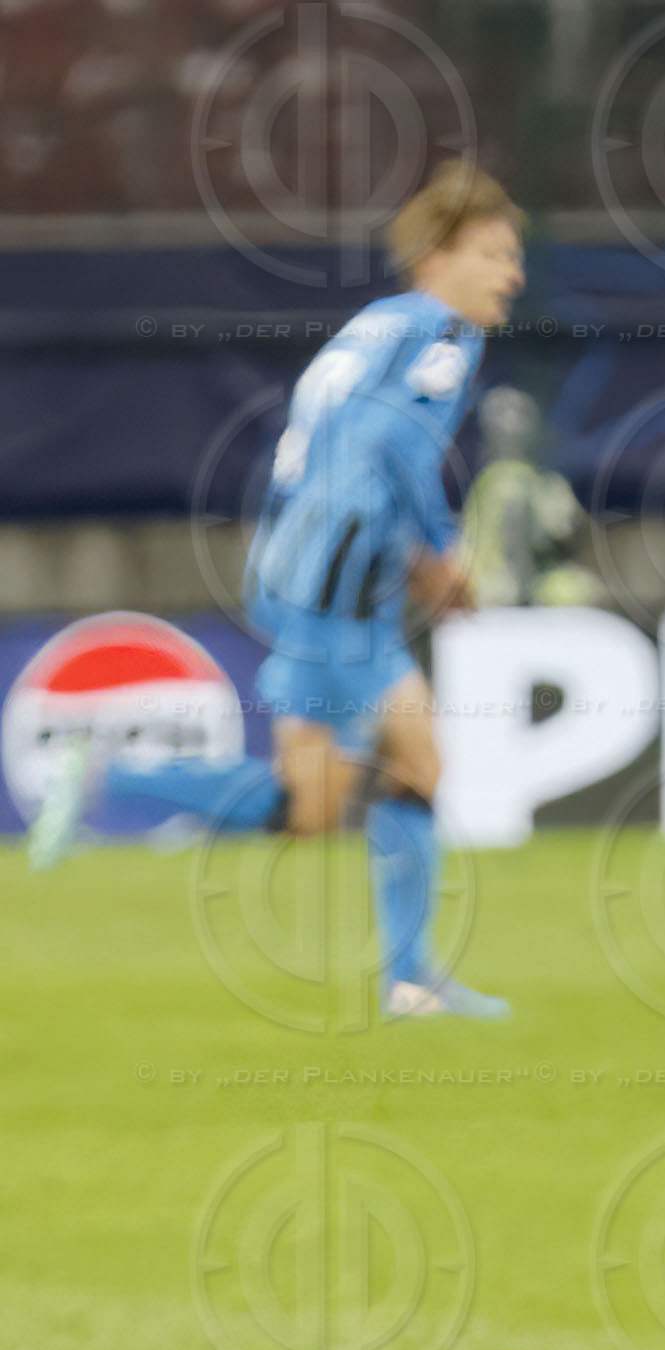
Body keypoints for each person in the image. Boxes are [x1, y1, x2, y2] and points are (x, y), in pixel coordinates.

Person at [29, 160, 524, 1021]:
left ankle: (111, 773)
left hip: (311, 568)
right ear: (438, 256)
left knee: (349, 790)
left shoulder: (375, 327)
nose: (510, 275)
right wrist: (441, 556)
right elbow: (388, 446)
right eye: (494, 254)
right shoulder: (444, 336)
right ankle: (406, 979)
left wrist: (406, 562)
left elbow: (335, 446)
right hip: (333, 583)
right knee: (358, 790)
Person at [460, 386, 601, 609]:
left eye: (518, 414)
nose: (509, 425)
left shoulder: (544, 484)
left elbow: (562, 533)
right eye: (501, 416)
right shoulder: (499, 482)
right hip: (498, 593)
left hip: (510, 592)